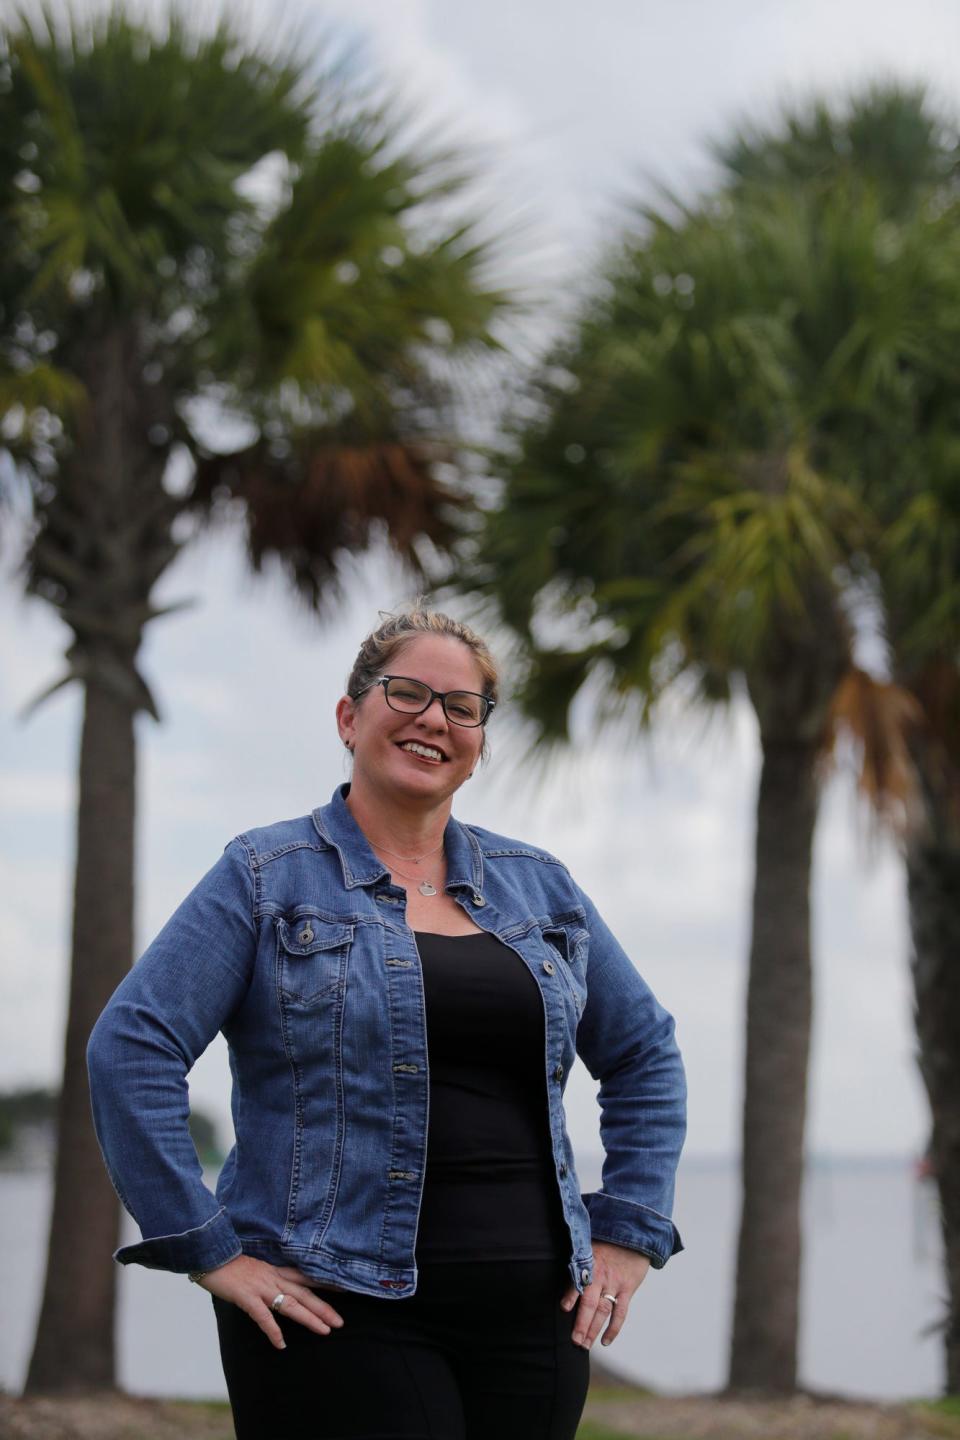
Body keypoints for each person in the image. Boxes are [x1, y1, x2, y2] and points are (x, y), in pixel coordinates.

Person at [87, 605, 686, 1440]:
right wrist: (207, 1247)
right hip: (336, 1313)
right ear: (349, 716)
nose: (434, 719)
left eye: (462, 707)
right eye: (406, 693)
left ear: (477, 741)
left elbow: (645, 1053)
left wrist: (628, 1233)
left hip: (535, 1319)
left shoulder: (539, 886)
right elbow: (132, 1046)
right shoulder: (266, 876)